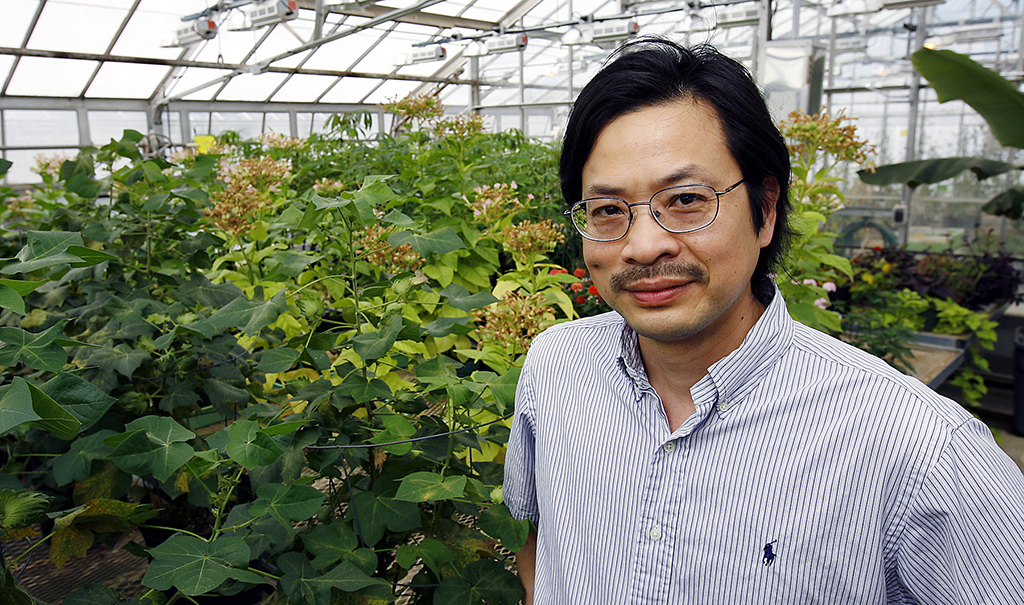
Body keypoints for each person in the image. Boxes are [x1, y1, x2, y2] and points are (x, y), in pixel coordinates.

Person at [502, 37, 1024, 604]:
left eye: (685, 199)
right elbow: (540, 544)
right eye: (608, 211)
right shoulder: (556, 366)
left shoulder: (925, 454)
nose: (643, 246)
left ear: (766, 209)